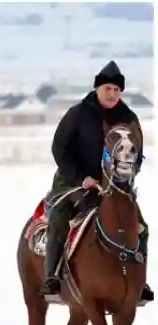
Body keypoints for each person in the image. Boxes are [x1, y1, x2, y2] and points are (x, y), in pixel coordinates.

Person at [42, 61, 152, 302]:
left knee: (141, 228)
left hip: (114, 186)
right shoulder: (78, 114)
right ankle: (52, 276)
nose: (112, 94)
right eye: (107, 89)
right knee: (60, 217)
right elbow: (59, 149)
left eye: (116, 90)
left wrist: (125, 177)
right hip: (74, 182)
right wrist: (82, 178)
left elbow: (137, 155)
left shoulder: (128, 118)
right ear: (98, 88)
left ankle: (139, 282)